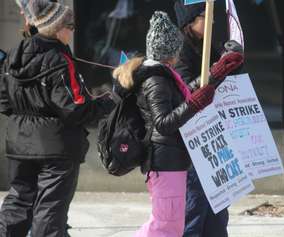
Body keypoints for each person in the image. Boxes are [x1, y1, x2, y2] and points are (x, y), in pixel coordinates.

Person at [112, 11, 241, 237]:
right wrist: (194, 104)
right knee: (165, 226)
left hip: (173, 160)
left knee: (172, 226)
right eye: (176, 48)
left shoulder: (165, 75)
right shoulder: (156, 80)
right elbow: (164, 123)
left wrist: (215, 74)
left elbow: (186, 94)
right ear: (169, 51)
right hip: (164, 162)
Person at [0, 0, 114, 236]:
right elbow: (74, 108)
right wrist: (109, 101)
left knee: (18, 203)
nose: (72, 31)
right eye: (70, 26)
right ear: (56, 28)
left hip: (20, 143)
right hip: (56, 147)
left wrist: (27, 119)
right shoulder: (59, 60)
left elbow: (4, 100)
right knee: (49, 211)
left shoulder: (14, 55)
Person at [174, 1, 245, 236]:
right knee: (194, 214)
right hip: (194, 144)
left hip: (216, 141)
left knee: (218, 215)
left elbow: (224, 83)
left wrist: (232, 61)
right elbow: (186, 92)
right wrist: (216, 70)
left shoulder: (205, 45)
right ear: (190, 21)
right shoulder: (180, 51)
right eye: (207, 15)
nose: (212, 20)